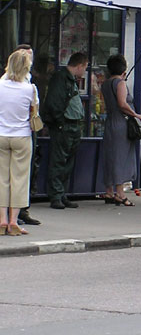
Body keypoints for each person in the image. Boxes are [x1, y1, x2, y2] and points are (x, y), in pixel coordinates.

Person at [41, 52, 88, 210]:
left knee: (67, 162)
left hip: (72, 125)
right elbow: (54, 102)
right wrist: (60, 123)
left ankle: (62, 194)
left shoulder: (70, 79)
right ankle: (56, 195)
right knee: (59, 161)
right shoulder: (61, 78)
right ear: (80, 65)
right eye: (85, 67)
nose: (84, 71)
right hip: (64, 125)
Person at [99, 54, 141, 206]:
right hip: (121, 123)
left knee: (110, 156)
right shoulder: (120, 83)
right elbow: (123, 104)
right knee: (120, 156)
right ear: (123, 68)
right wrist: (136, 115)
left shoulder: (105, 84)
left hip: (110, 121)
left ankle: (109, 190)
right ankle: (120, 193)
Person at [0, 49, 36, 234]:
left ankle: (2, 220)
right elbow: (34, 113)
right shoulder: (30, 89)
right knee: (19, 179)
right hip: (21, 136)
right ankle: (14, 221)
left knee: (1, 179)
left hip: (1, 135)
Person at [15, 44, 40, 227]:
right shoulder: (20, 83)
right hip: (17, 133)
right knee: (14, 176)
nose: (30, 60)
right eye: (26, 56)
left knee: (25, 173)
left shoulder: (30, 80)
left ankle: (22, 210)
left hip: (25, 130)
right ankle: (13, 214)